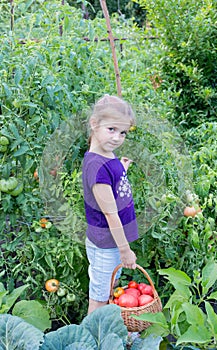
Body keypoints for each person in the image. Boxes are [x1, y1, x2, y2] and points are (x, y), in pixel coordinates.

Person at [82, 94, 139, 314]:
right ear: (94, 124)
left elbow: (110, 186)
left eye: (123, 132)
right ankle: (91, 340)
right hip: (107, 243)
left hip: (112, 241)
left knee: (109, 287)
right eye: (111, 129)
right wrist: (125, 250)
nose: (117, 138)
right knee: (100, 297)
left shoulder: (106, 154)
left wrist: (121, 169)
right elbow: (110, 214)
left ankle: (105, 335)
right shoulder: (97, 166)